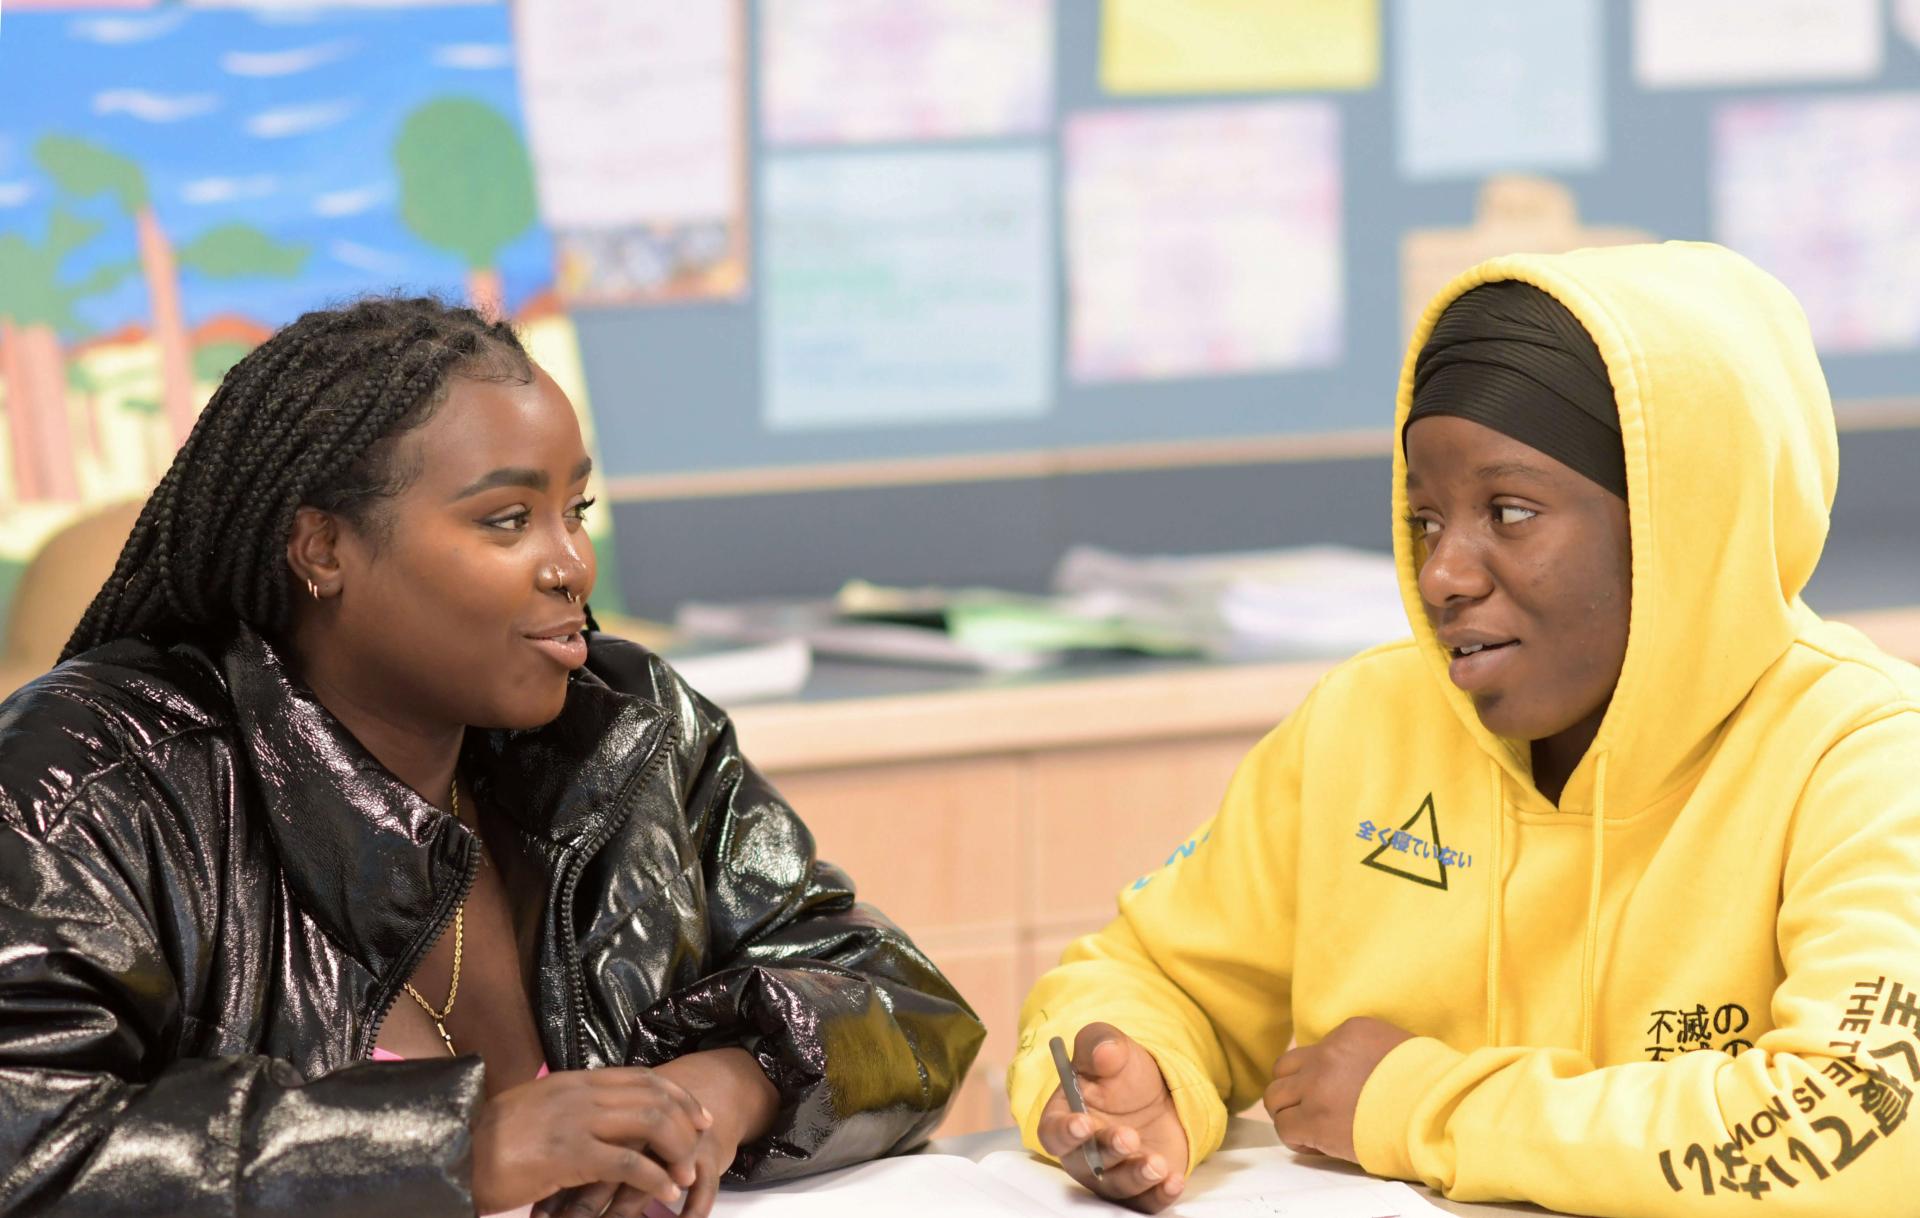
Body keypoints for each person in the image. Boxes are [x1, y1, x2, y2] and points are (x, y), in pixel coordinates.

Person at [0, 297, 984, 1218]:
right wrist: (458, 1147)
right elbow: (26, 1146)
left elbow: (906, 1003)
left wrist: (717, 1095)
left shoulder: (627, 732)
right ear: (322, 549)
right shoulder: (88, 784)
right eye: (507, 520)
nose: (571, 565)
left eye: (577, 512)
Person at [1009, 243, 1920, 1216]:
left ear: (1683, 525)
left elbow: (1870, 1125)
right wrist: (1138, 1075)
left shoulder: (1863, 756)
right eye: (1426, 519)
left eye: (1511, 511)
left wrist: (1418, 1105)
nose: (1444, 572)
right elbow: (1149, 974)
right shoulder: (1366, 725)